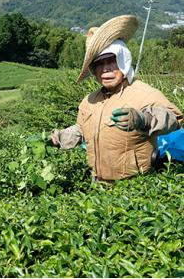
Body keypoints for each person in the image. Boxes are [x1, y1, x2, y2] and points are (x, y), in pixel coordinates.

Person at [51, 15, 183, 182]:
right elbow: (82, 129)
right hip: (97, 181)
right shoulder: (89, 100)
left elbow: (174, 117)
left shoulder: (143, 93)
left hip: (134, 184)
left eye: (111, 61)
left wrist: (143, 119)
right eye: (99, 64)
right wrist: (62, 137)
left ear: (123, 61)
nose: (105, 69)